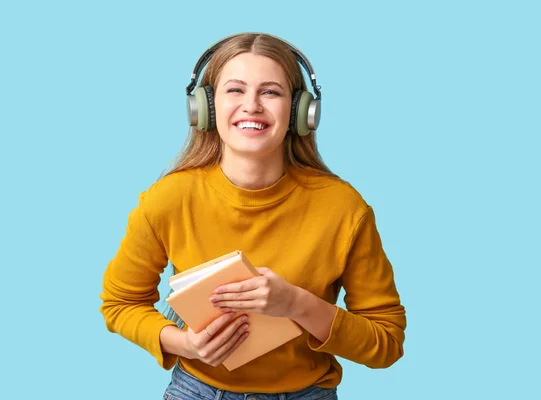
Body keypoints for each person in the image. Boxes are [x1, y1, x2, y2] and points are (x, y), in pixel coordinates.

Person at [100, 32, 407, 400]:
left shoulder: (344, 209)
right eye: (235, 90)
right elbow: (119, 305)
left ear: (300, 111)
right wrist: (185, 344)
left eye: (271, 92)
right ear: (205, 108)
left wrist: (296, 304)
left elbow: (386, 342)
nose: (252, 106)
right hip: (196, 391)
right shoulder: (168, 199)